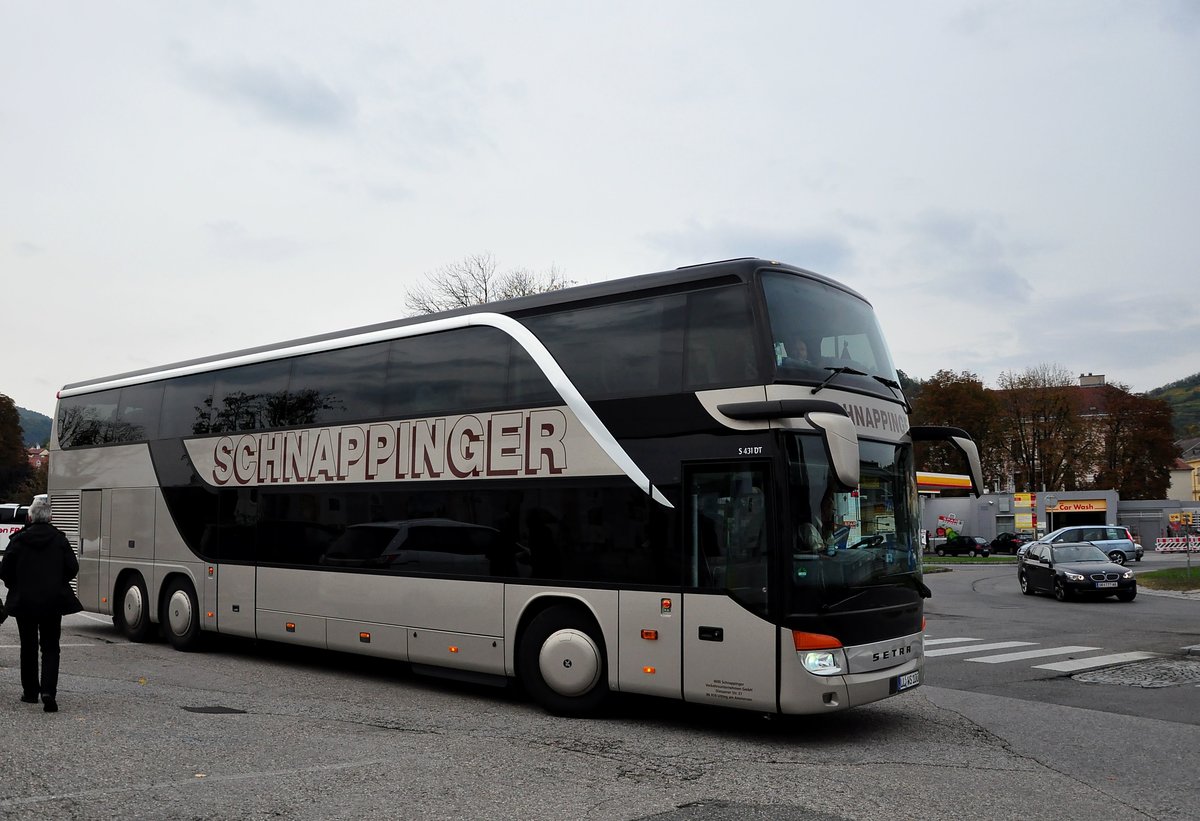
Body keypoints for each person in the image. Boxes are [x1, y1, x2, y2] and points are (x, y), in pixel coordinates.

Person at [0, 497, 81, 712]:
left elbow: (4, 570)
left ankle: (30, 692)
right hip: (52, 601)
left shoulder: (18, 540)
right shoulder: (59, 540)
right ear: (51, 517)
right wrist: (58, 581)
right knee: (51, 646)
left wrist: (15, 584)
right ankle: (48, 691)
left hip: (24, 601)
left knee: (28, 647)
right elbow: (73, 567)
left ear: (29, 517)